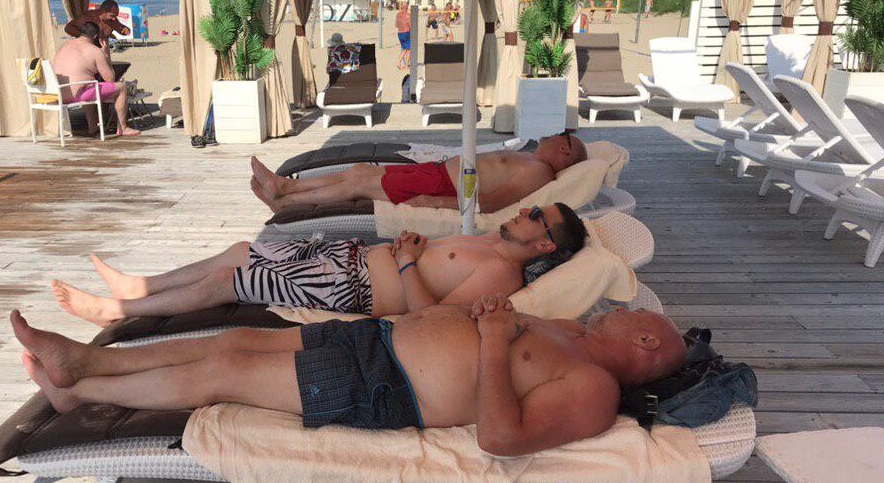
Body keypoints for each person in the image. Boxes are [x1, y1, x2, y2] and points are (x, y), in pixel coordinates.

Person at [11, 298, 687, 456]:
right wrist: (488, 316)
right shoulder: (572, 331)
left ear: (646, 340)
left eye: (630, 313)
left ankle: (80, 390)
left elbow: (501, 438)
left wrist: (488, 340)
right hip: (378, 337)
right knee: (235, 338)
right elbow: (501, 331)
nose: (617, 308)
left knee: (225, 370)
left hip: (386, 384)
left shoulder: (595, 390)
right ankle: (89, 361)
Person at [50, 203, 588, 326]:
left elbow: (429, 320)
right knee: (240, 250)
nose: (525, 211)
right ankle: (140, 285)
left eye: (536, 216)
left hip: (350, 288)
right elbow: (435, 263)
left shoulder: (501, 276)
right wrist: (415, 246)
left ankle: (117, 311)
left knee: (232, 279)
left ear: (545, 246)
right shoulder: (488, 240)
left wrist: (405, 263)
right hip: (347, 259)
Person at [250, 132, 588, 214]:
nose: (550, 134)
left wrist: (435, 202)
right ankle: (287, 189)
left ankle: (287, 195)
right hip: (437, 173)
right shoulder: (530, 158)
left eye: (560, 135)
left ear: (565, 150)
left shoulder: (539, 172)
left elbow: (495, 201)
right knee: (360, 170)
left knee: (358, 184)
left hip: (440, 185)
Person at [51, 22, 140, 138]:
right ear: (95, 36)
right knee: (121, 87)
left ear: (81, 33)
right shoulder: (95, 51)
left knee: (88, 85)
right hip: (76, 95)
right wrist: (105, 53)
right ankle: (123, 128)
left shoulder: (65, 45)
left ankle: (92, 128)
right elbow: (110, 79)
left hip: (58, 93)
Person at [64, 0, 130, 52]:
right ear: (103, 11)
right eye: (112, 15)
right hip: (87, 52)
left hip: (104, 53)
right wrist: (86, 37)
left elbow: (121, 29)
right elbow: (68, 28)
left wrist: (126, 30)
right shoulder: (88, 17)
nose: (114, 18)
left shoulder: (112, 20)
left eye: (116, 16)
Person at [396, 0, 412, 70]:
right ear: (407, 7)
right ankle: (405, 65)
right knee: (408, 50)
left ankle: (400, 64)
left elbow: (396, 25)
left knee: (404, 49)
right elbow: (410, 25)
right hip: (406, 33)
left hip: (400, 33)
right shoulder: (408, 15)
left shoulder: (398, 14)